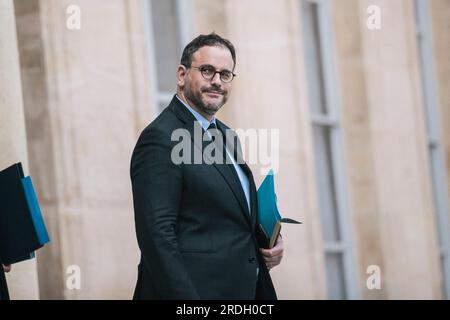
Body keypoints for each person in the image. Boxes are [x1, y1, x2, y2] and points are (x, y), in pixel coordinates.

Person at [130, 33, 283, 300]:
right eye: (207, 70)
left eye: (225, 74)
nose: (216, 81)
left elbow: (223, 218)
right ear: (181, 75)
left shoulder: (226, 135)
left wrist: (268, 242)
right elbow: (157, 239)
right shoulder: (160, 138)